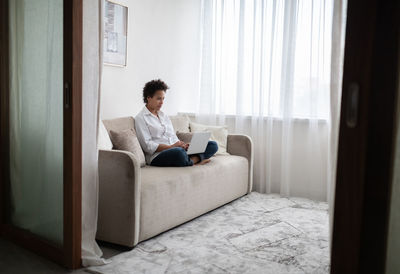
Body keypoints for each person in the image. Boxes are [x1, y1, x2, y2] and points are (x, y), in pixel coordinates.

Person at [134, 79, 218, 167]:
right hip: (158, 155)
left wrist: (183, 145)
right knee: (179, 153)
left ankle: (192, 160)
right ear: (148, 98)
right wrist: (172, 147)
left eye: (163, 98)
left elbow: (173, 137)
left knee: (213, 145)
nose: (162, 102)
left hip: (175, 149)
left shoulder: (164, 116)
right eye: (159, 99)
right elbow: (148, 146)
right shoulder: (140, 118)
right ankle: (195, 161)